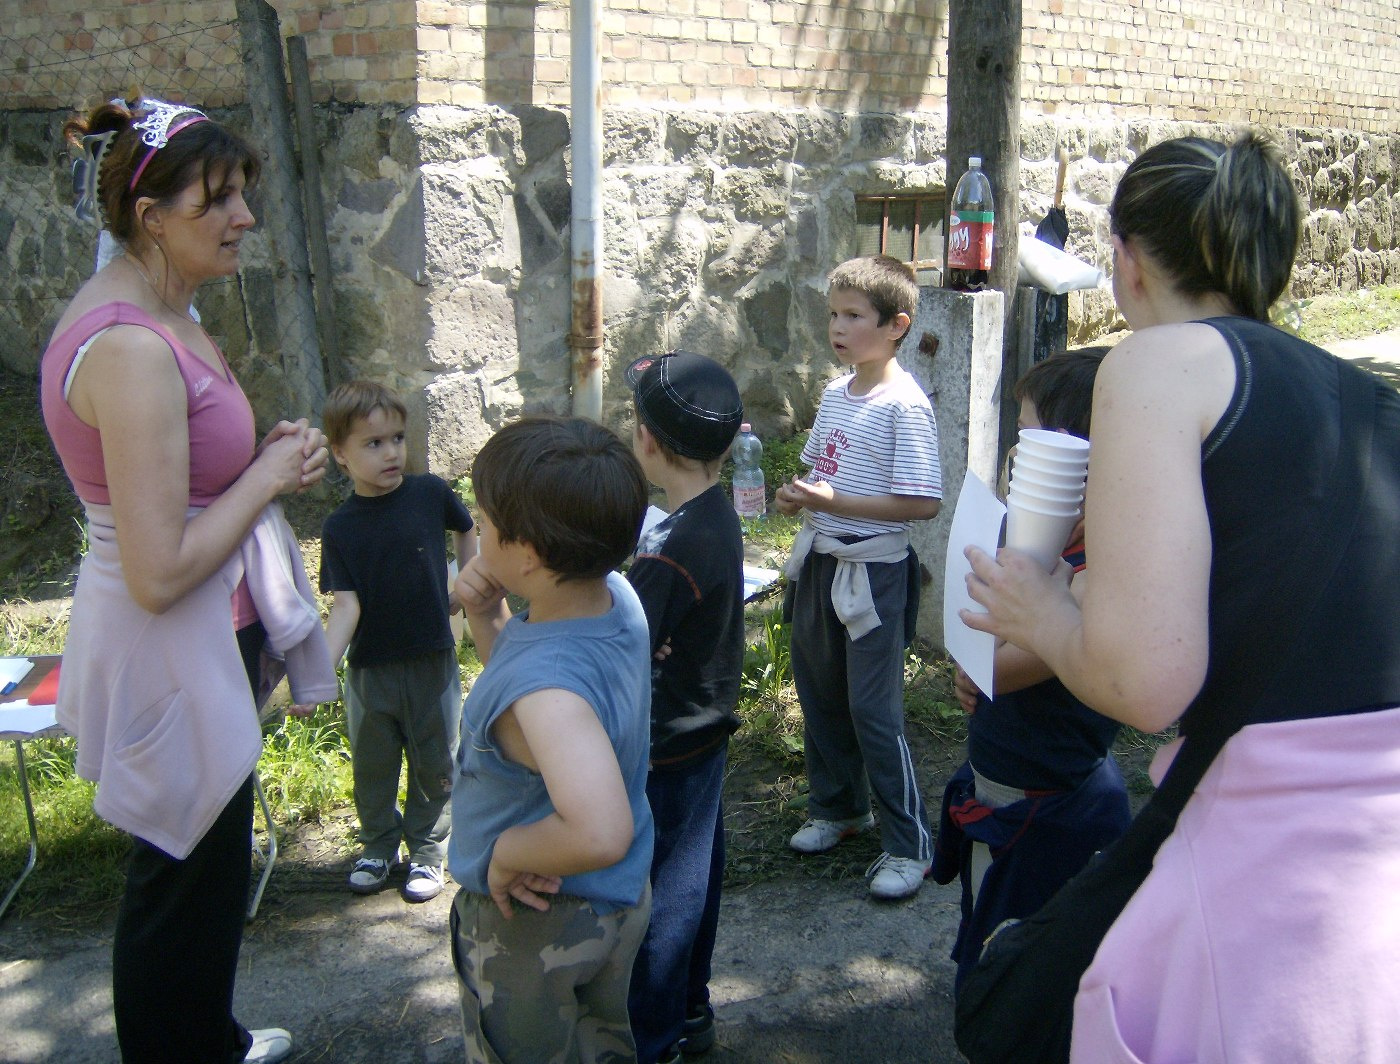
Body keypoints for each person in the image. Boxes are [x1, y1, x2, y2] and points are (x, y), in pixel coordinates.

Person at [962, 131, 1400, 1060]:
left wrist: (1041, 609)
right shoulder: (1369, 400)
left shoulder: (1157, 363)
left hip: (1262, 872)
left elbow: (1147, 680)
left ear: (1124, 260)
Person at [40, 96, 331, 1064]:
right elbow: (159, 569)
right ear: (150, 212)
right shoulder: (128, 348)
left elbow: (190, 480)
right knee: (178, 877)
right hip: (170, 640)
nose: (243, 216)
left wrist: (262, 463)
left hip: (206, 634)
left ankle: (208, 1034)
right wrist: (265, 474)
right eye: (218, 200)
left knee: (206, 865)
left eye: (242, 193)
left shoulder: (162, 306)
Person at [449, 416, 655, 1063]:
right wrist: (489, 615)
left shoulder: (550, 695)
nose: (475, 529)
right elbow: (530, 701)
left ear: (528, 554)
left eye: (483, 519)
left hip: (540, 924)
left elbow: (598, 831)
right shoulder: (613, 596)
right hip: (617, 900)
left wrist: (506, 853)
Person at [931, 347, 1131, 989]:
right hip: (1012, 778)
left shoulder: (1095, 568)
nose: (1018, 462)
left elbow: (1018, 660)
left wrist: (978, 661)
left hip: (1045, 798)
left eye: (1029, 441)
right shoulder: (1047, 543)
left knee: (1022, 964)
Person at [775, 254, 943, 901]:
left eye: (853, 316)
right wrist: (801, 495)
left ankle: (910, 844)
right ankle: (840, 809)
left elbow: (922, 503)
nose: (838, 328)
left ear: (896, 324)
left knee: (873, 710)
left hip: (872, 574)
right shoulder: (835, 394)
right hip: (821, 560)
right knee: (819, 691)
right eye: (833, 315)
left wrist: (832, 503)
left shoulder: (906, 406)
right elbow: (824, 471)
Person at [623, 352, 745, 1064]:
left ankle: (656, 1034)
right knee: (695, 875)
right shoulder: (710, 515)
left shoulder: (668, 551)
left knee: (664, 895)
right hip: (705, 732)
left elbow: (622, 642)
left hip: (668, 743)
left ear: (645, 440)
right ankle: (690, 1008)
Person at [319, 379, 477, 903]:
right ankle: (379, 846)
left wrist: (465, 581)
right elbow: (346, 605)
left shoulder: (428, 494)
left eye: (396, 439)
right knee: (374, 762)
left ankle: (428, 853)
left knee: (436, 760)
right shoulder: (340, 527)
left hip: (432, 659)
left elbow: (466, 525)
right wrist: (318, 671)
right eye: (372, 444)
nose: (390, 453)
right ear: (341, 455)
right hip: (370, 671)